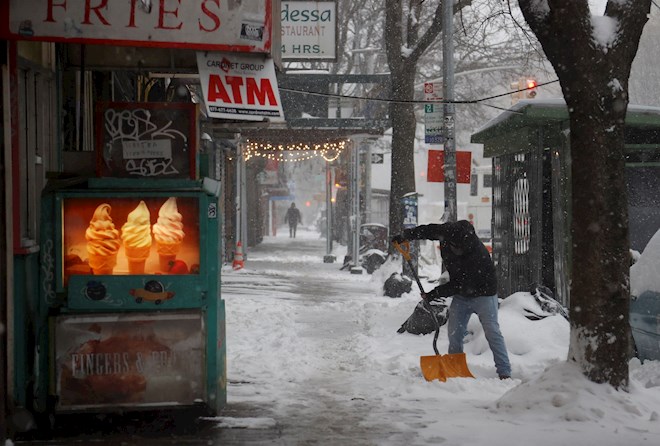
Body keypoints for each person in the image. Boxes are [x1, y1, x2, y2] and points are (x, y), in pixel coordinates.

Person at [391, 220, 512, 379]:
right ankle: (455, 367)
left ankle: (504, 372)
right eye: (453, 245)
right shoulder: (446, 232)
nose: (455, 250)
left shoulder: (477, 255)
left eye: (459, 247)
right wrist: (406, 236)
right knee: (454, 332)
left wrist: (434, 293)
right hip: (462, 296)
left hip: (484, 295)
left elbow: (460, 284)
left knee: (492, 331)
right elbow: (427, 231)